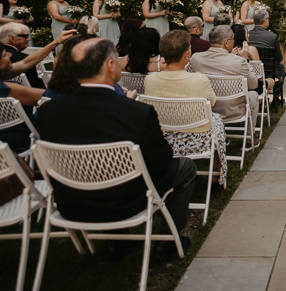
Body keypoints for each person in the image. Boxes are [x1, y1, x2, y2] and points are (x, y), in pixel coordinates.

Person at [37, 38, 196, 257]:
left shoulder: (49, 111)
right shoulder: (137, 112)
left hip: (71, 203)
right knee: (185, 166)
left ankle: (116, 242)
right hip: (125, 203)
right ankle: (167, 242)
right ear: (110, 66)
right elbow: (162, 162)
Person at [144, 30, 227, 184]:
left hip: (163, 138)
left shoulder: (150, 80)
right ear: (186, 54)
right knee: (216, 121)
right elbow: (212, 103)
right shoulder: (199, 79)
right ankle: (216, 173)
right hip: (198, 140)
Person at [190, 25, 261, 145]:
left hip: (207, 109)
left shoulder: (195, 58)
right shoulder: (238, 61)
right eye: (233, 39)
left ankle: (221, 134)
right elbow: (254, 84)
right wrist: (245, 60)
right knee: (253, 94)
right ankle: (249, 137)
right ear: (226, 43)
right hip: (232, 110)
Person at [249, 9, 284, 106]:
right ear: (265, 20)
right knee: (281, 67)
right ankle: (276, 99)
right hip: (268, 73)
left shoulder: (247, 34)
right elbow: (279, 58)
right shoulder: (272, 37)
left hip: (251, 71)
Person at [0, 23, 44, 89]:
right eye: (26, 36)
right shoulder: (22, 58)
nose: (29, 39)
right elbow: (35, 85)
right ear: (12, 38)